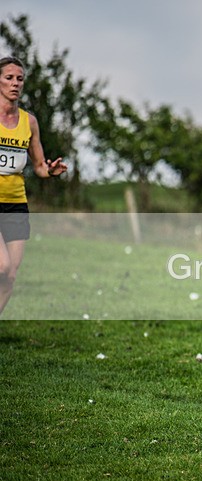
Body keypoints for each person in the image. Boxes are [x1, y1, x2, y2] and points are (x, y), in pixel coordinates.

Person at [0, 56, 68, 316]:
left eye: (19, 78)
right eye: (9, 77)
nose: (15, 83)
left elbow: (38, 166)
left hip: (16, 204)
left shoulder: (29, 122)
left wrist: (50, 170)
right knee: (2, 267)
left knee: (10, 278)